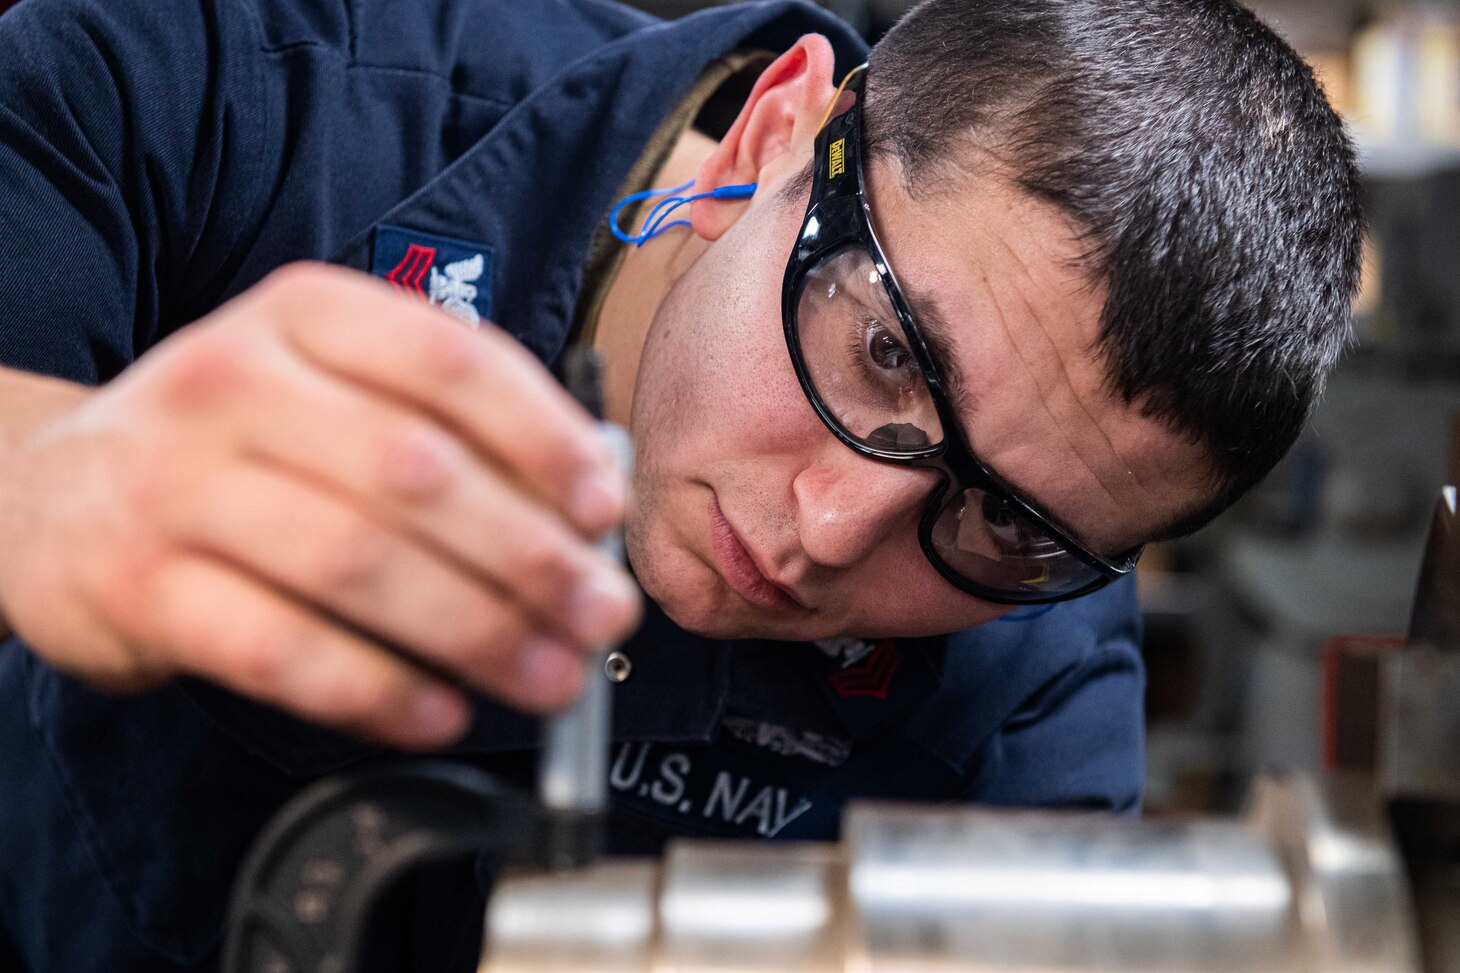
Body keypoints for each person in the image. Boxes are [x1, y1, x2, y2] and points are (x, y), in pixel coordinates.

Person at [0, 0, 1360, 968]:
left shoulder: (1032, 683)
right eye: (888, 352)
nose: (832, 529)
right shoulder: (240, 90)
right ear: (774, 138)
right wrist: (50, 480)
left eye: (1002, 518)